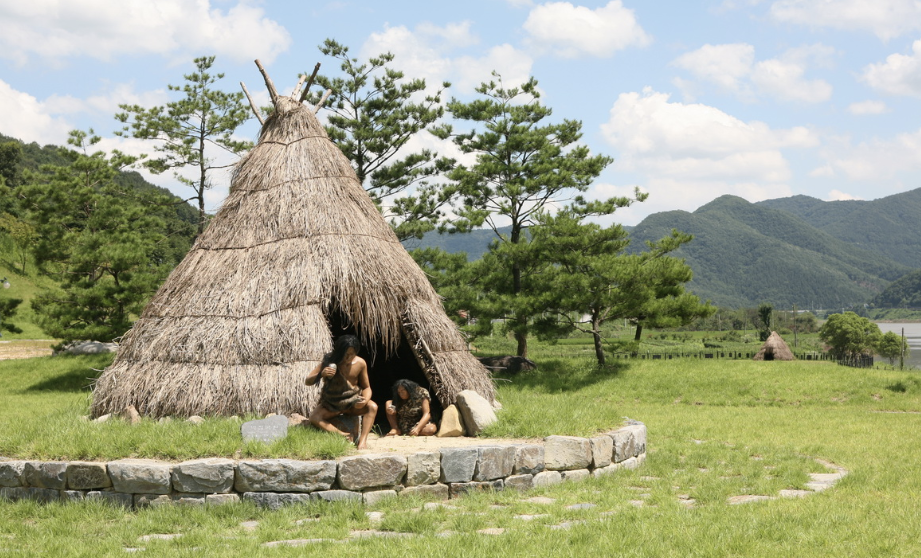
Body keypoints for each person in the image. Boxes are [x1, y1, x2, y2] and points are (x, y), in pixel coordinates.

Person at [305, 335, 378, 450]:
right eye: (345, 354)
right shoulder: (329, 361)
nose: (348, 357)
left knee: (372, 407)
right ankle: (343, 435)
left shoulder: (360, 363)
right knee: (314, 417)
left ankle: (362, 441)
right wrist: (321, 374)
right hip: (332, 403)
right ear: (339, 352)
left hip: (352, 403)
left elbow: (367, 387)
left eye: (351, 354)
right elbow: (307, 381)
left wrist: (365, 400)